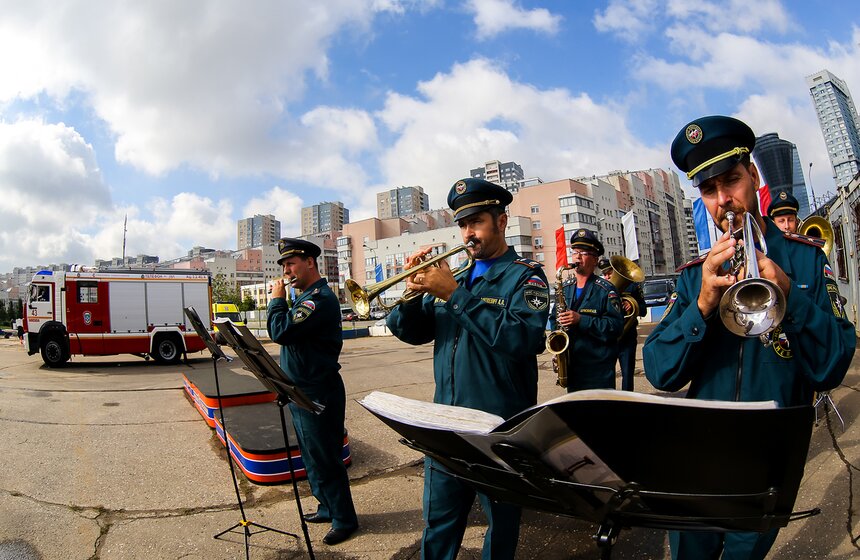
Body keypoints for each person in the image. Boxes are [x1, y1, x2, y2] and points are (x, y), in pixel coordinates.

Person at [643, 115, 855, 560]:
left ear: (753, 176)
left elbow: (833, 365)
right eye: (708, 190)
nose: (723, 201)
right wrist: (701, 304)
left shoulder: (806, 263)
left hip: (770, 459)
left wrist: (788, 298)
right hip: (701, 457)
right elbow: (662, 372)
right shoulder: (693, 277)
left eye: (731, 181)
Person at [386, 178, 550, 560]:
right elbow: (408, 332)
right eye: (462, 224)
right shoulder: (456, 276)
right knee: (438, 524)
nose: (468, 233)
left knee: (501, 525)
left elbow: (522, 339)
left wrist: (454, 296)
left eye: (476, 222)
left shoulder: (526, 277)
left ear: (501, 221)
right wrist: (411, 295)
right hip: (445, 424)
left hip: (498, 427)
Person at [267, 238, 359, 546]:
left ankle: (344, 519)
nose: (286, 271)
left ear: (310, 262)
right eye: (283, 265)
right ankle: (326, 506)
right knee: (311, 455)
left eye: (291, 263)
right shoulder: (304, 297)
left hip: (319, 390)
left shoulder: (317, 299)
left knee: (326, 457)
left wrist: (277, 299)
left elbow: (281, 332)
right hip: (300, 389)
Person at [553, 229, 624, 392]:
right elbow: (554, 319)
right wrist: (557, 348)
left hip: (598, 369)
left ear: (595, 260)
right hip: (572, 365)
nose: (577, 257)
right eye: (575, 252)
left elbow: (615, 327)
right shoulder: (564, 288)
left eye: (583, 253)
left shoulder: (606, 289)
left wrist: (581, 320)